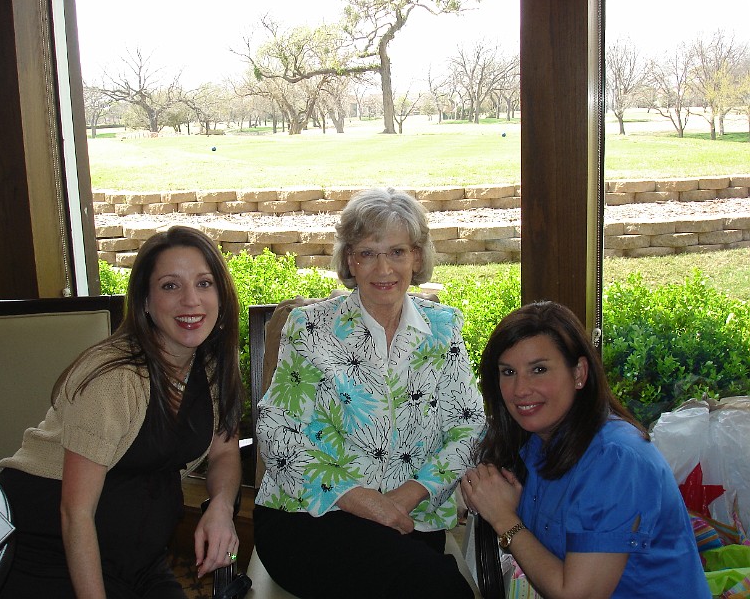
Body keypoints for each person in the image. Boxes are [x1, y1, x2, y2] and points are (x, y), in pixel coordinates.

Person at [253, 188, 486, 599]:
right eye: (367, 253)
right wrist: (363, 501)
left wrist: (405, 497)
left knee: (418, 578)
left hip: (410, 518)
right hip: (310, 517)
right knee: (437, 586)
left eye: (397, 252)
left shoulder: (443, 328)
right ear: (349, 260)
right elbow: (277, 433)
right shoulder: (310, 327)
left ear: (417, 256)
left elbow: (468, 427)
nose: (384, 268)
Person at [0, 225, 244, 598]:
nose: (191, 301)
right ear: (145, 301)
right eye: (170, 286)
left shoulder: (209, 365)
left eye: (204, 283)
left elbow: (224, 450)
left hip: (139, 560)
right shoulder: (115, 378)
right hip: (49, 551)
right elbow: (75, 514)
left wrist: (221, 506)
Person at [461, 301, 711, 599]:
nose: (520, 390)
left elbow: (577, 595)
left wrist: (505, 520)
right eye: (508, 372)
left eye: (539, 369)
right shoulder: (536, 441)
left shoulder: (616, 459)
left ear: (579, 373)